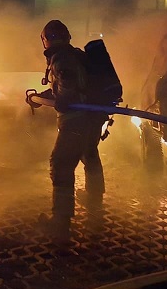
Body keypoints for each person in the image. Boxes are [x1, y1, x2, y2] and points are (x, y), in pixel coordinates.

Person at [27, 19, 109, 242]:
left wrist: (60, 99)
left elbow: (67, 89)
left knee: (61, 165)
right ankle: (95, 207)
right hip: (92, 119)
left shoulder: (61, 58)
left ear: (46, 39)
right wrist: (42, 96)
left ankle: (60, 224)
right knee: (90, 156)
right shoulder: (76, 56)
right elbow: (66, 87)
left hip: (75, 122)